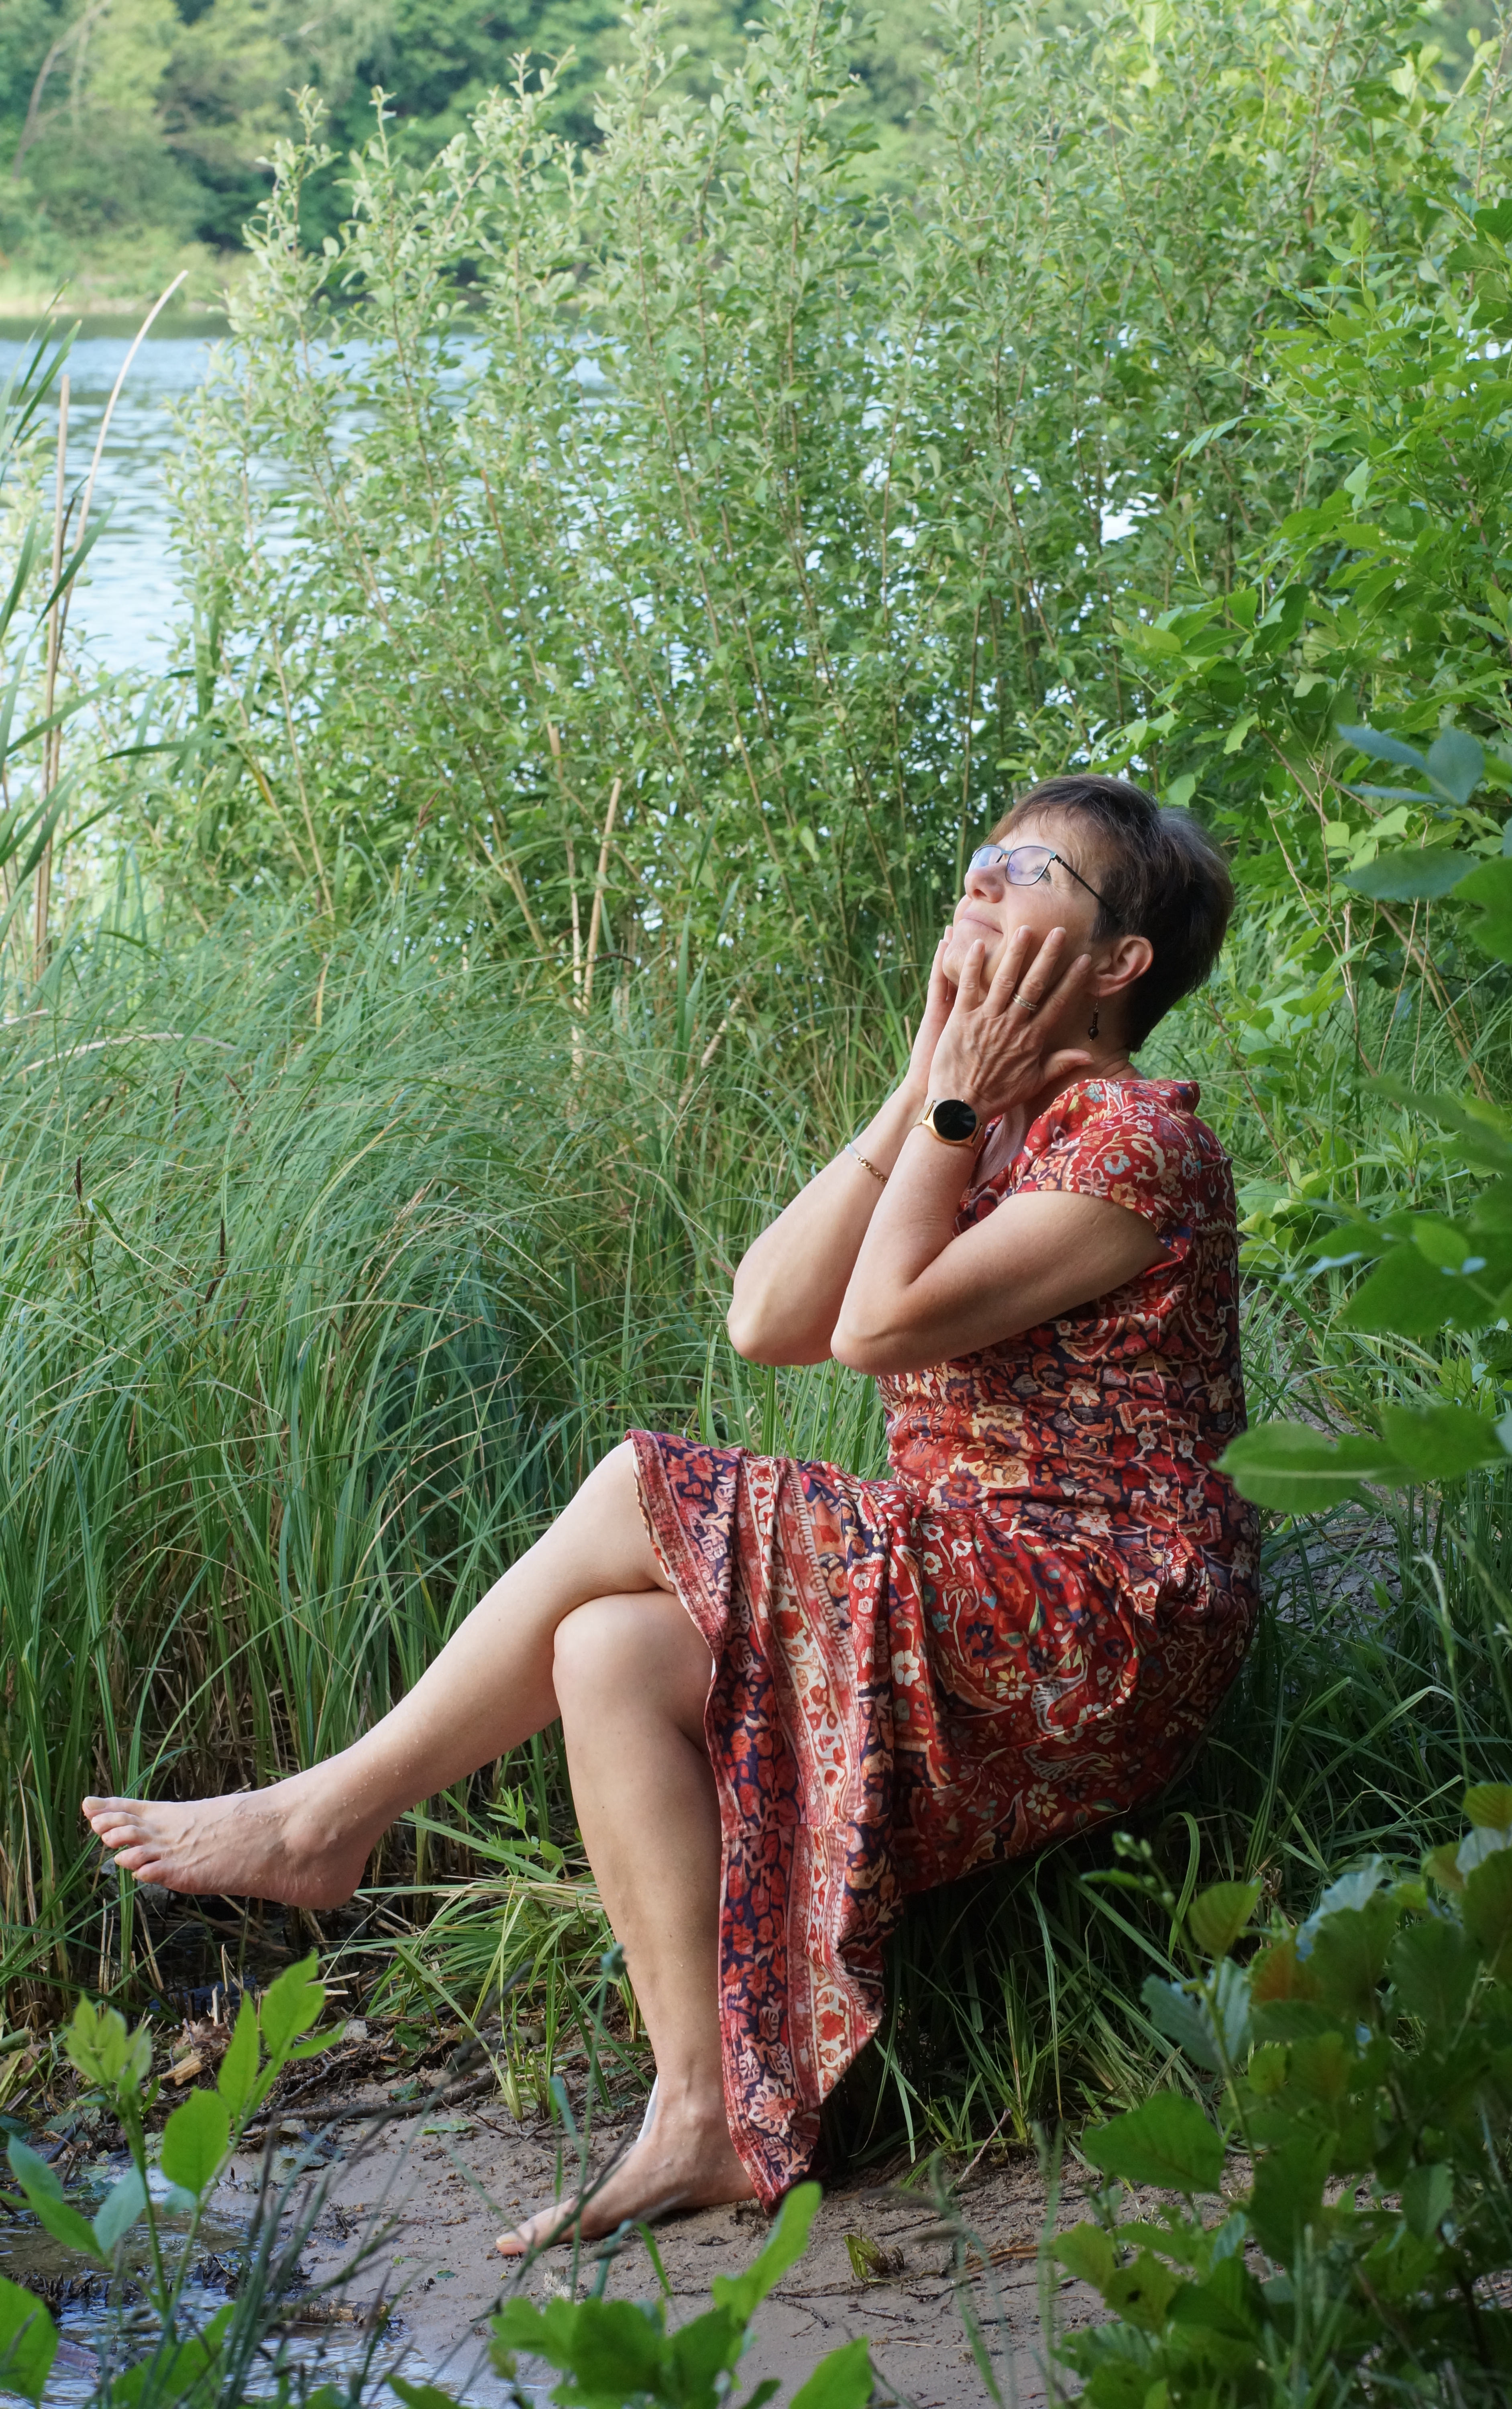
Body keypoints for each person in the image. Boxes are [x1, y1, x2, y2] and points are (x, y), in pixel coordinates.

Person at [83, 774, 1259, 2247]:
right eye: (982, 853)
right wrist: (923, 1088)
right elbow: (767, 1317)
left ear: (1118, 960)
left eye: (1030, 871)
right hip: (973, 1588)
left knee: (643, 1483)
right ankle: (701, 2116)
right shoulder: (982, 1131)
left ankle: (328, 1819)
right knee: (608, 1655)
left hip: (1106, 1621)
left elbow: (873, 1327)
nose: (979, 880)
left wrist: (957, 1103)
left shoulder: (1138, 1141)